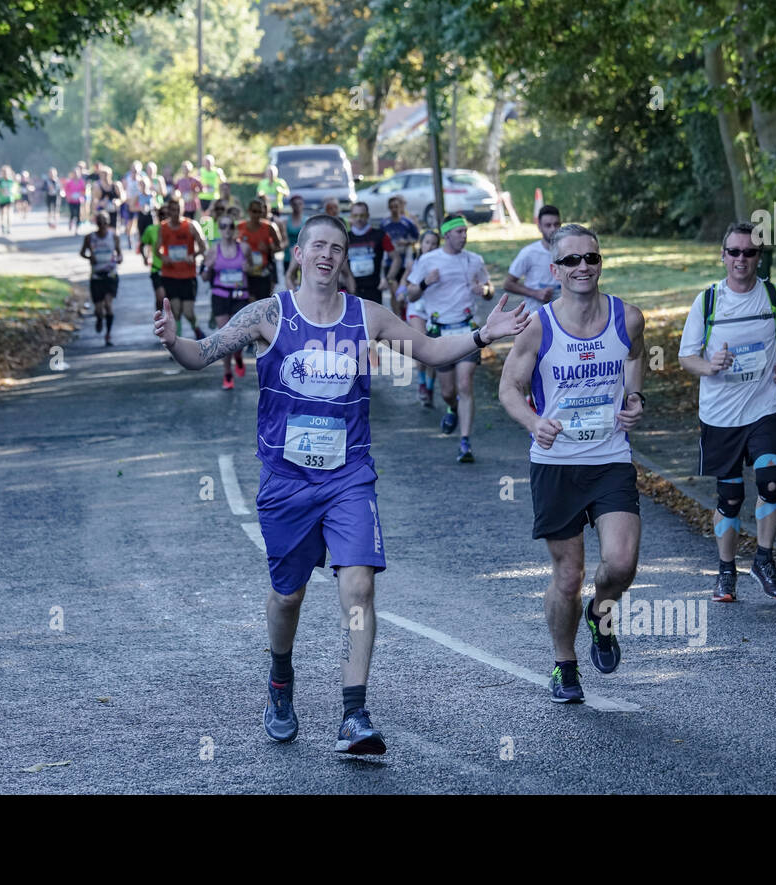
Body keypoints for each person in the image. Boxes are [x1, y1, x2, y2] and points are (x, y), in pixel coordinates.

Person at [152, 213, 530, 755]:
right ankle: (280, 681)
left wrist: (481, 336)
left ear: (344, 259)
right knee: (289, 596)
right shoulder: (268, 315)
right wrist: (173, 341)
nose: (328, 255)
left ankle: (355, 713)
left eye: (338, 248)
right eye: (318, 246)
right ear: (300, 256)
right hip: (286, 482)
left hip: (349, 477)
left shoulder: (367, 316)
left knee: (359, 586)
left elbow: (427, 350)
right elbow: (201, 354)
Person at [499, 223, 646, 703]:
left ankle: (600, 617)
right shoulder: (539, 325)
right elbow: (509, 389)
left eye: (592, 258)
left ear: (601, 262)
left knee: (621, 565)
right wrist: (531, 421)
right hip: (556, 463)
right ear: (555, 269)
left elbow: (634, 358)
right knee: (568, 576)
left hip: (610, 458)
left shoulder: (629, 318)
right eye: (572, 260)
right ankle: (565, 666)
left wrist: (635, 395)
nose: (583, 267)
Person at [678, 221, 776, 602]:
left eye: (749, 252)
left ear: (758, 257)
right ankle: (726, 570)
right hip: (720, 416)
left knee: (772, 482)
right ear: (723, 255)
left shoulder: (775, 296)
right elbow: (685, 357)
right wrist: (709, 365)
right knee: (730, 498)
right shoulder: (708, 301)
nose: (741, 259)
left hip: (763, 408)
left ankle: (764, 559)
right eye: (734, 252)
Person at [405, 215, 495, 462]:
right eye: (459, 232)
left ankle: (465, 442)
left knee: (465, 384)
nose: (464, 236)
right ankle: (451, 407)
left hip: (467, 329)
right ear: (446, 235)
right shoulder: (428, 260)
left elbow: (490, 288)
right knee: (447, 391)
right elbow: (410, 296)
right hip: (439, 331)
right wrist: (425, 282)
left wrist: (485, 291)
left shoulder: (474, 260)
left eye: (466, 231)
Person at [204, 215, 253, 388]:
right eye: (223, 226)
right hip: (220, 295)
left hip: (240, 295)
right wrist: (207, 267)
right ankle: (227, 373)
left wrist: (249, 268)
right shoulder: (213, 250)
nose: (227, 229)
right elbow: (204, 276)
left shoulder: (244, 248)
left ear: (234, 229)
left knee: (237, 336)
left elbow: (252, 267)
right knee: (225, 337)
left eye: (230, 226)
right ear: (219, 228)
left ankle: (238, 355)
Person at [157, 192, 208, 339]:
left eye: (178, 209)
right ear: (168, 211)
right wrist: (163, 256)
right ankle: (176, 341)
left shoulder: (191, 225)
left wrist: (194, 255)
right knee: (176, 310)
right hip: (170, 274)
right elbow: (156, 250)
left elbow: (203, 246)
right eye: (172, 210)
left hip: (188, 275)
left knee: (188, 312)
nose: (175, 213)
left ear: (183, 208)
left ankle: (196, 328)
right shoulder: (163, 227)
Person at [403, 228, 441, 407]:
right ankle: (421, 384)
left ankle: (430, 386)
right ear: (421, 244)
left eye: (434, 243)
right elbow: (408, 285)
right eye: (427, 242)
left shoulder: (442, 263)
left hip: (435, 311)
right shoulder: (415, 263)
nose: (430, 246)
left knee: (433, 351)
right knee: (421, 347)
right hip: (416, 309)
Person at [504, 205, 564, 314]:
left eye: (556, 224)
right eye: (548, 225)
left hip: (563, 315)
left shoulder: (568, 251)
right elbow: (508, 284)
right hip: (535, 316)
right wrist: (535, 293)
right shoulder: (529, 253)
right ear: (539, 227)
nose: (553, 229)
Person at [79, 210, 123, 346]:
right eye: (100, 222)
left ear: (108, 223)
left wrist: (118, 259)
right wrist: (89, 257)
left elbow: (120, 254)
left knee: (108, 305)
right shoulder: (89, 238)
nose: (102, 224)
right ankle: (99, 319)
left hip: (111, 275)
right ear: (96, 223)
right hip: (96, 277)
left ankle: (108, 335)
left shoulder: (114, 237)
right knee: (98, 310)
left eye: (105, 222)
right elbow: (82, 253)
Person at [240, 198, 282, 309]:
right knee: (249, 303)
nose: (256, 214)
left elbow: (280, 246)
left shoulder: (269, 227)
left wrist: (268, 249)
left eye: (259, 211)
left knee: (263, 303)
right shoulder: (240, 227)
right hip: (247, 271)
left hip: (264, 272)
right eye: (254, 211)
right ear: (248, 211)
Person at [381, 196, 418, 321]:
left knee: (402, 294)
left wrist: (406, 242)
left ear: (400, 207)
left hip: (404, 264)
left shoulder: (407, 223)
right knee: (393, 292)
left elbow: (416, 238)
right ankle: (396, 318)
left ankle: (403, 314)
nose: (394, 209)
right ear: (388, 208)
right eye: (391, 207)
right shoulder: (384, 224)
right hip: (390, 264)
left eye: (396, 206)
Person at [92, 165, 122, 234]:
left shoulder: (116, 185)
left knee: (115, 233)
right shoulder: (97, 187)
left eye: (106, 175)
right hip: (103, 214)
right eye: (102, 175)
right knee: (103, 232)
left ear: (110, 175)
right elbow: (94, 201)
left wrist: (118, 201)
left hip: (114, 212)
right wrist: (100, 204)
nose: (104, 177)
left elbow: (123, 197)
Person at [0, 166, 19, 235]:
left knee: (9, 213)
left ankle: (9, 227)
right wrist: (1, 190)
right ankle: (3, 226)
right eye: (4, 172)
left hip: (9, 198)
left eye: (6, 172)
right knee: (3, 213)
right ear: (2, 173)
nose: (5, 174)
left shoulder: (11, 180)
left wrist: (14, 192)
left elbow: (16, 187)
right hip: (2, 199)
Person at [64, 166, 87, 233]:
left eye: (77, 173)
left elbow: (84, 190)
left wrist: (81, 194)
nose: (76, 174)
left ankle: (77, 229)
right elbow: (66, 190)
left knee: (78, 214)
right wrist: (69, 196)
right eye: (74, 173)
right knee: (72, 214)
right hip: (71, 200)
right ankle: (71, 223)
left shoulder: (81, 182)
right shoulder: (69, 182)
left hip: (79, 200)